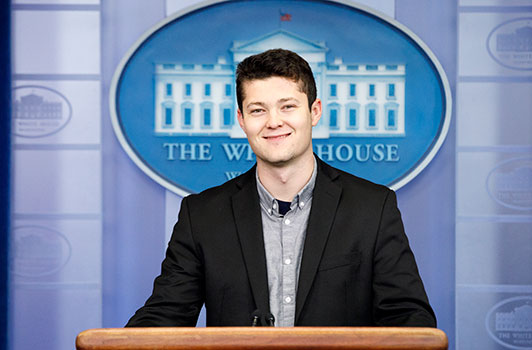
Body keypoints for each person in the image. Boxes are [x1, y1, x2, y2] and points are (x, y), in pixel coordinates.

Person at [126, 49, 436, 327]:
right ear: (242, 120)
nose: (273, 122)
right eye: (258, 110)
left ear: (314, 112)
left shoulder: (373, 208)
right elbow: (165, 314)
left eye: (287, 106)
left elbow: (409, 318)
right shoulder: (202, 215)